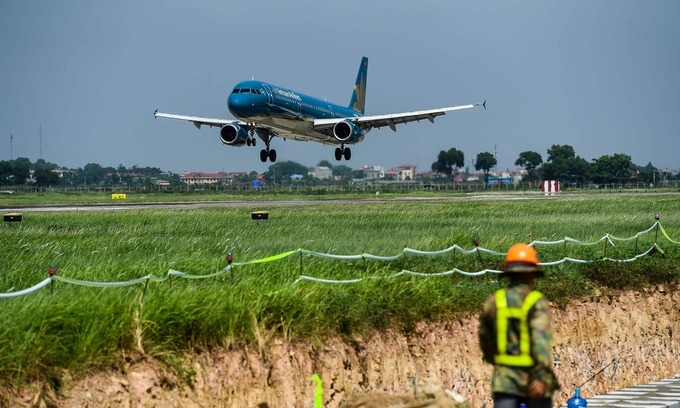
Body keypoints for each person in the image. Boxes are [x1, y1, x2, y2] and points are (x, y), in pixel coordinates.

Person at [478, 243, 560, 408]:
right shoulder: (535, 301)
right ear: (532, 274)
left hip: (505, 380)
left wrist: (496, 362)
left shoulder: (495, 301)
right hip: (533, 378)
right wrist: (541, 375)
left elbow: (485, 337)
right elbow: (540, 341)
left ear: (509, 274)